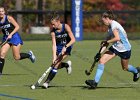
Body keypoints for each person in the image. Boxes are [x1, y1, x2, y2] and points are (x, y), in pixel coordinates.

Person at [85, 10, 140, 89]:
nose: (103, 22)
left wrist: (106, 41)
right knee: (101, 61)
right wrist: (99, 53)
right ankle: (95, 82)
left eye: (103, 20)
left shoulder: (114, 25)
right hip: (115, 48)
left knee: (125, 67)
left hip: (125, 49)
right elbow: (106, 43)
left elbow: (117, 38)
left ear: (107, 18)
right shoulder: (109, 28)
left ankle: (136, 71)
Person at [42, 13, 75, 89]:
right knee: (56, 64)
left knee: (56, 65)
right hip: (58, 48)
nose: (52, 26)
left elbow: (73, 39)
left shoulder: (66, 27)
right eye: (51, 24)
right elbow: (54, 45)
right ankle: (67, 65)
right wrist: (54, 57)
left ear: (58, 21)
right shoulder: (53, 32)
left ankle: (46, 82)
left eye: (53, 24)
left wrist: (66, 46)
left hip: (67, 47)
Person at [0, 7, 36, 75]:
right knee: (2, 54)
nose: (0, 13)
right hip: (6, 38)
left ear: (4, 12)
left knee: (17, 57)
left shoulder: (9, 18)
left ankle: (29, 55)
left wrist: (10, 34)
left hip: (14, 37)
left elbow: (17, 27)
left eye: (2, 11)